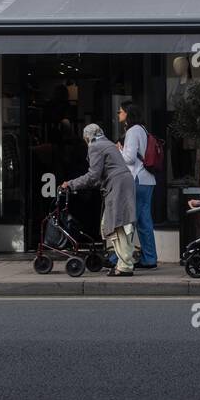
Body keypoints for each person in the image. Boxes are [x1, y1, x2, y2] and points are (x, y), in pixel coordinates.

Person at [62, 124, 138, 277]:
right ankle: (123, 262)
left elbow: (93, 175)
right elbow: (100, 175)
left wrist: (70, 184)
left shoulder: (95, 146)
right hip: (123, 183)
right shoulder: (108, 143)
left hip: (117, 186)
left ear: (87, 137)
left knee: (118, 225)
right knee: (117, 224)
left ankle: (125, 266)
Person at [117, 101, 157, 269]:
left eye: (120, 112)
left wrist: (118, 149)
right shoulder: (142, 129)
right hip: (147, 179)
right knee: (144, 221)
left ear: (127, 113)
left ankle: (121, 257)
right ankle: (149, 258)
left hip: (137, 179)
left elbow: (129, 158)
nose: (118, 114)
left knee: (128, 221)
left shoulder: (133, 131)